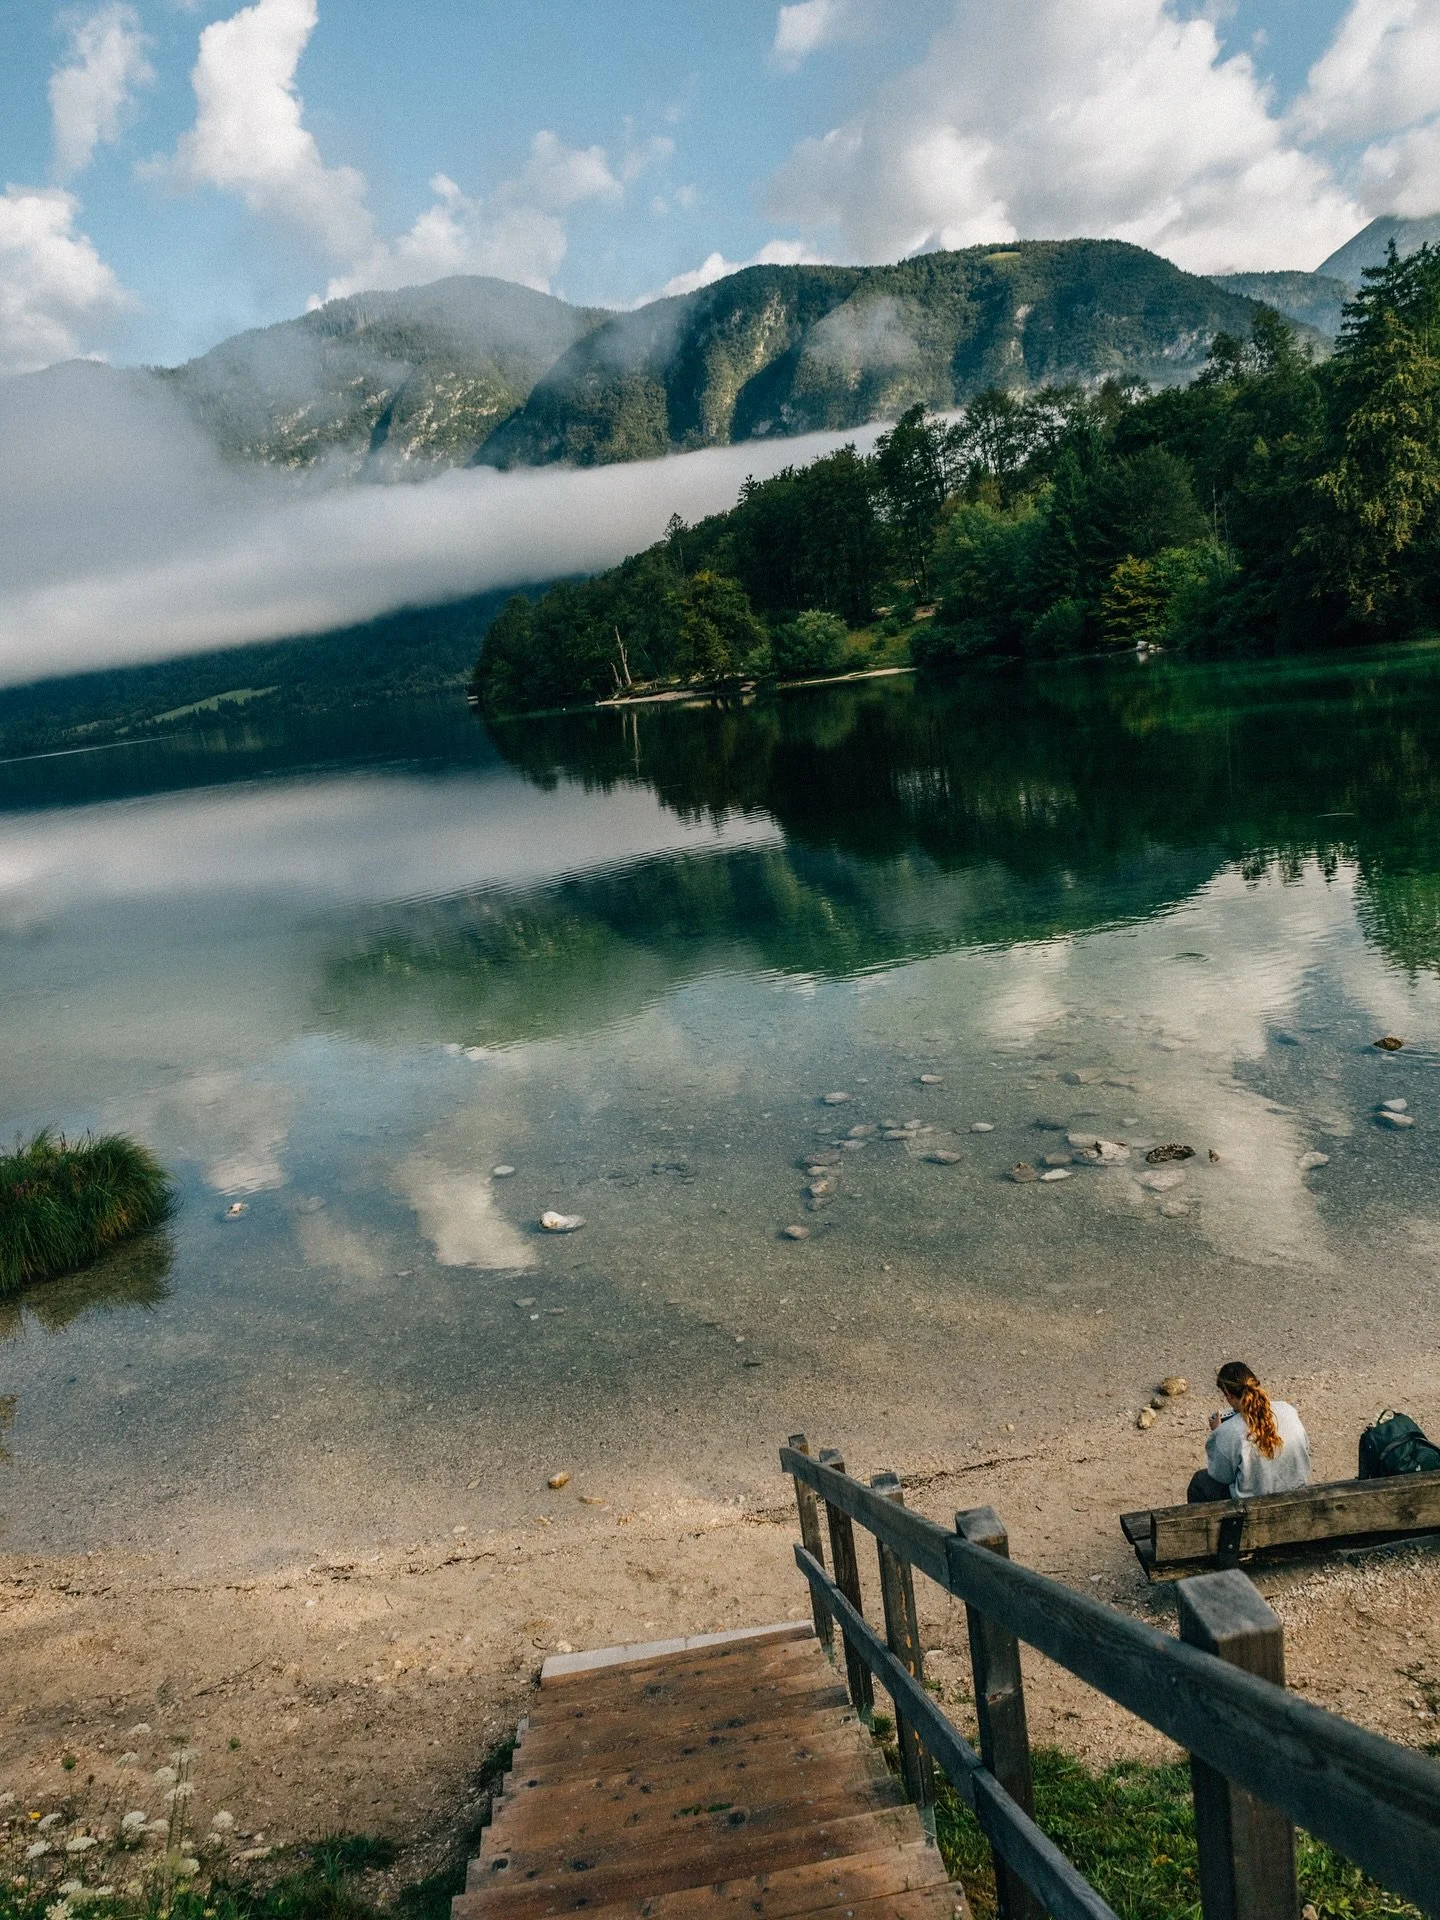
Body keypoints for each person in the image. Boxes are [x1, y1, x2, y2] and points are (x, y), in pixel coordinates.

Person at [1186, 1361, 1311, 1503]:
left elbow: (1221, 1476)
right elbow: (1305, 1448)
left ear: (1227, 1393)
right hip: (1296, 1496)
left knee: (1199, 1481)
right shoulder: (1288, 1410)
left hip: (1253, 1507)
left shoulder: (1228, 1432)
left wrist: (1218, 1433)